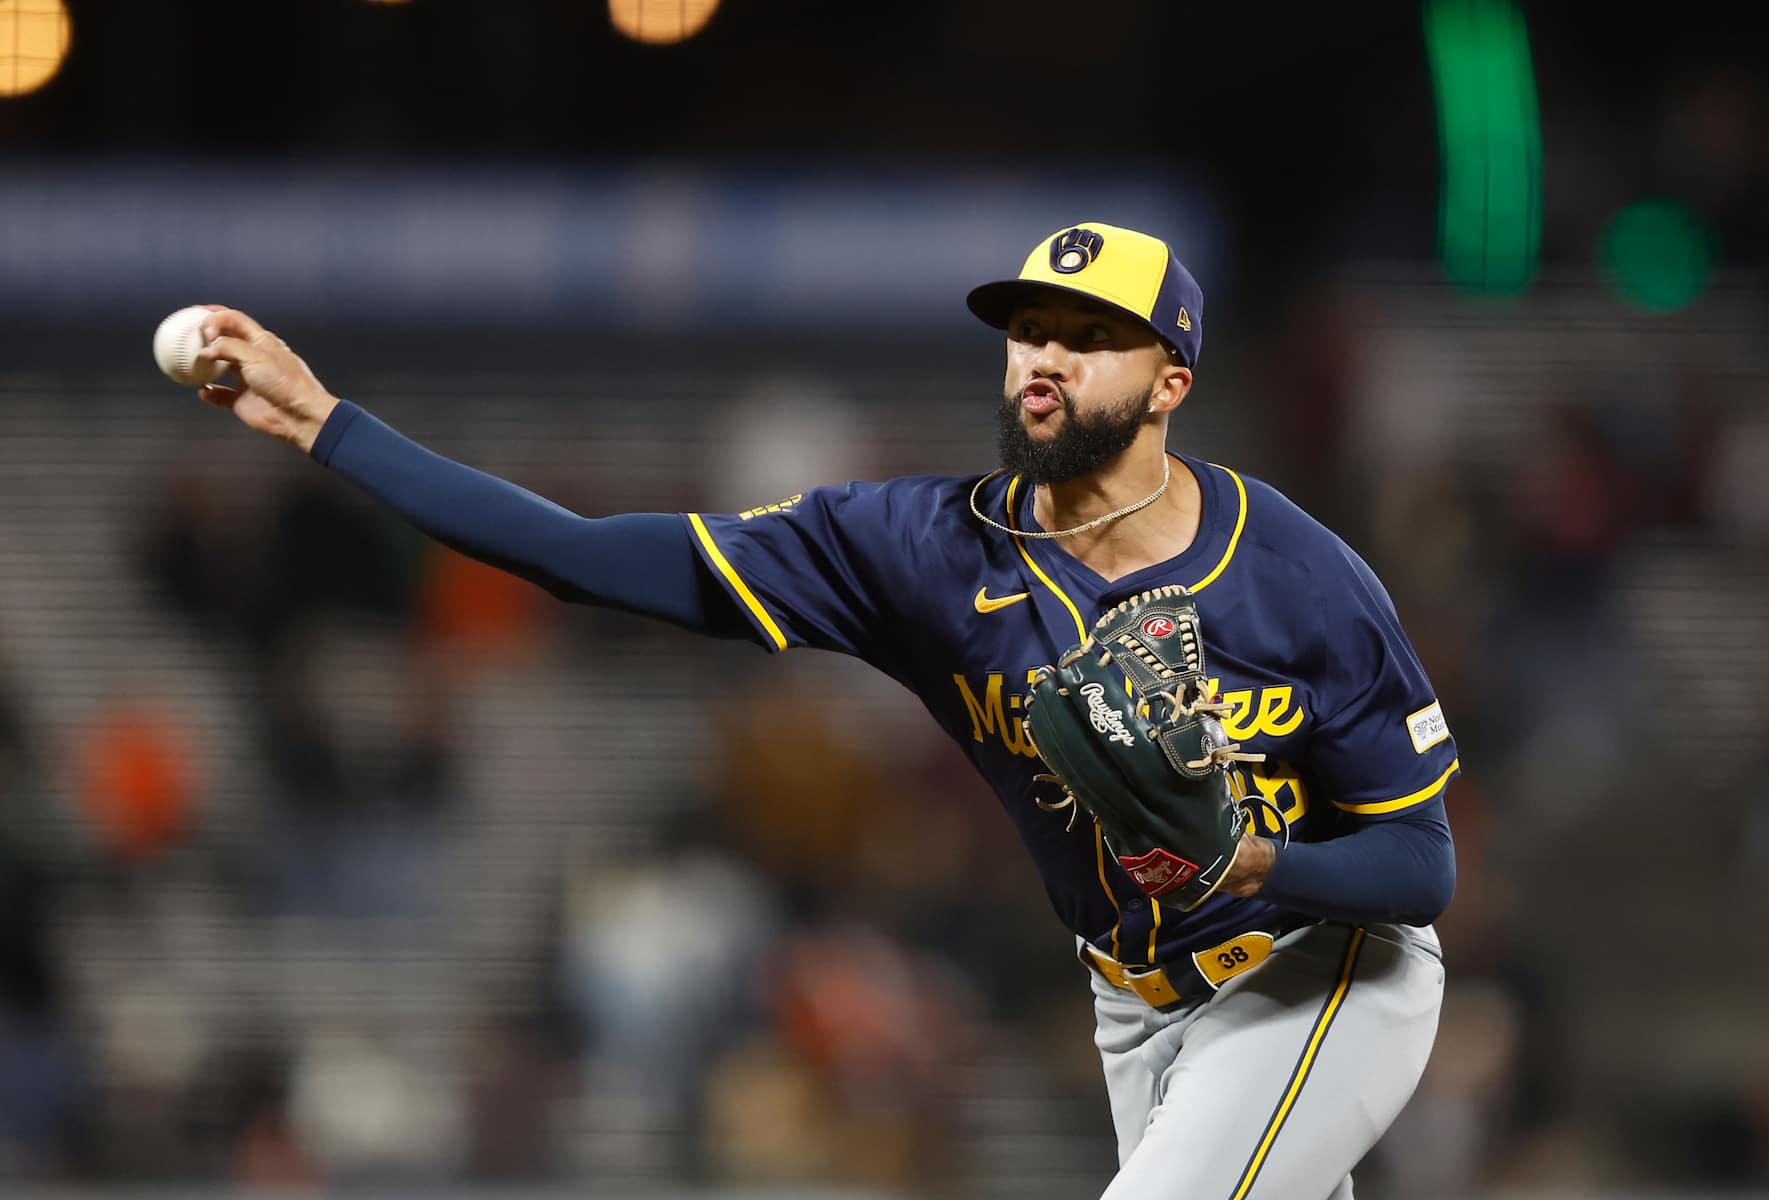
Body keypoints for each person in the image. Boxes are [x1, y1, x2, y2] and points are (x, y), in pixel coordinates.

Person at [193, 221, 1458, 1199]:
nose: (1043, 358)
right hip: (1135, 1002)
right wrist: (327, 424)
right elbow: (586, 556)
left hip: (1320, 973)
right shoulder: (912, 548)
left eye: (1087, 335)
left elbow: (1419, 866)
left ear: (1170, 379)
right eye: (1027, 329)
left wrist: (1253, 856)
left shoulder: (1299, 577)